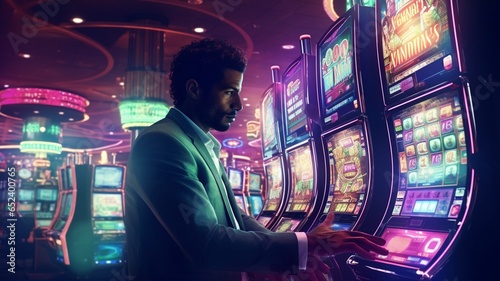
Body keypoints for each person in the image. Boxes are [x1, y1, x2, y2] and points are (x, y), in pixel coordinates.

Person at [124, 38, 389, 281]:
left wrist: (295, 253)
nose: (238, 104)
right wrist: (306, 244)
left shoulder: (198, 143)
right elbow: (206, 244)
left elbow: (234, 217)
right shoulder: (161, 143)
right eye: (229, 92)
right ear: (194, 89)